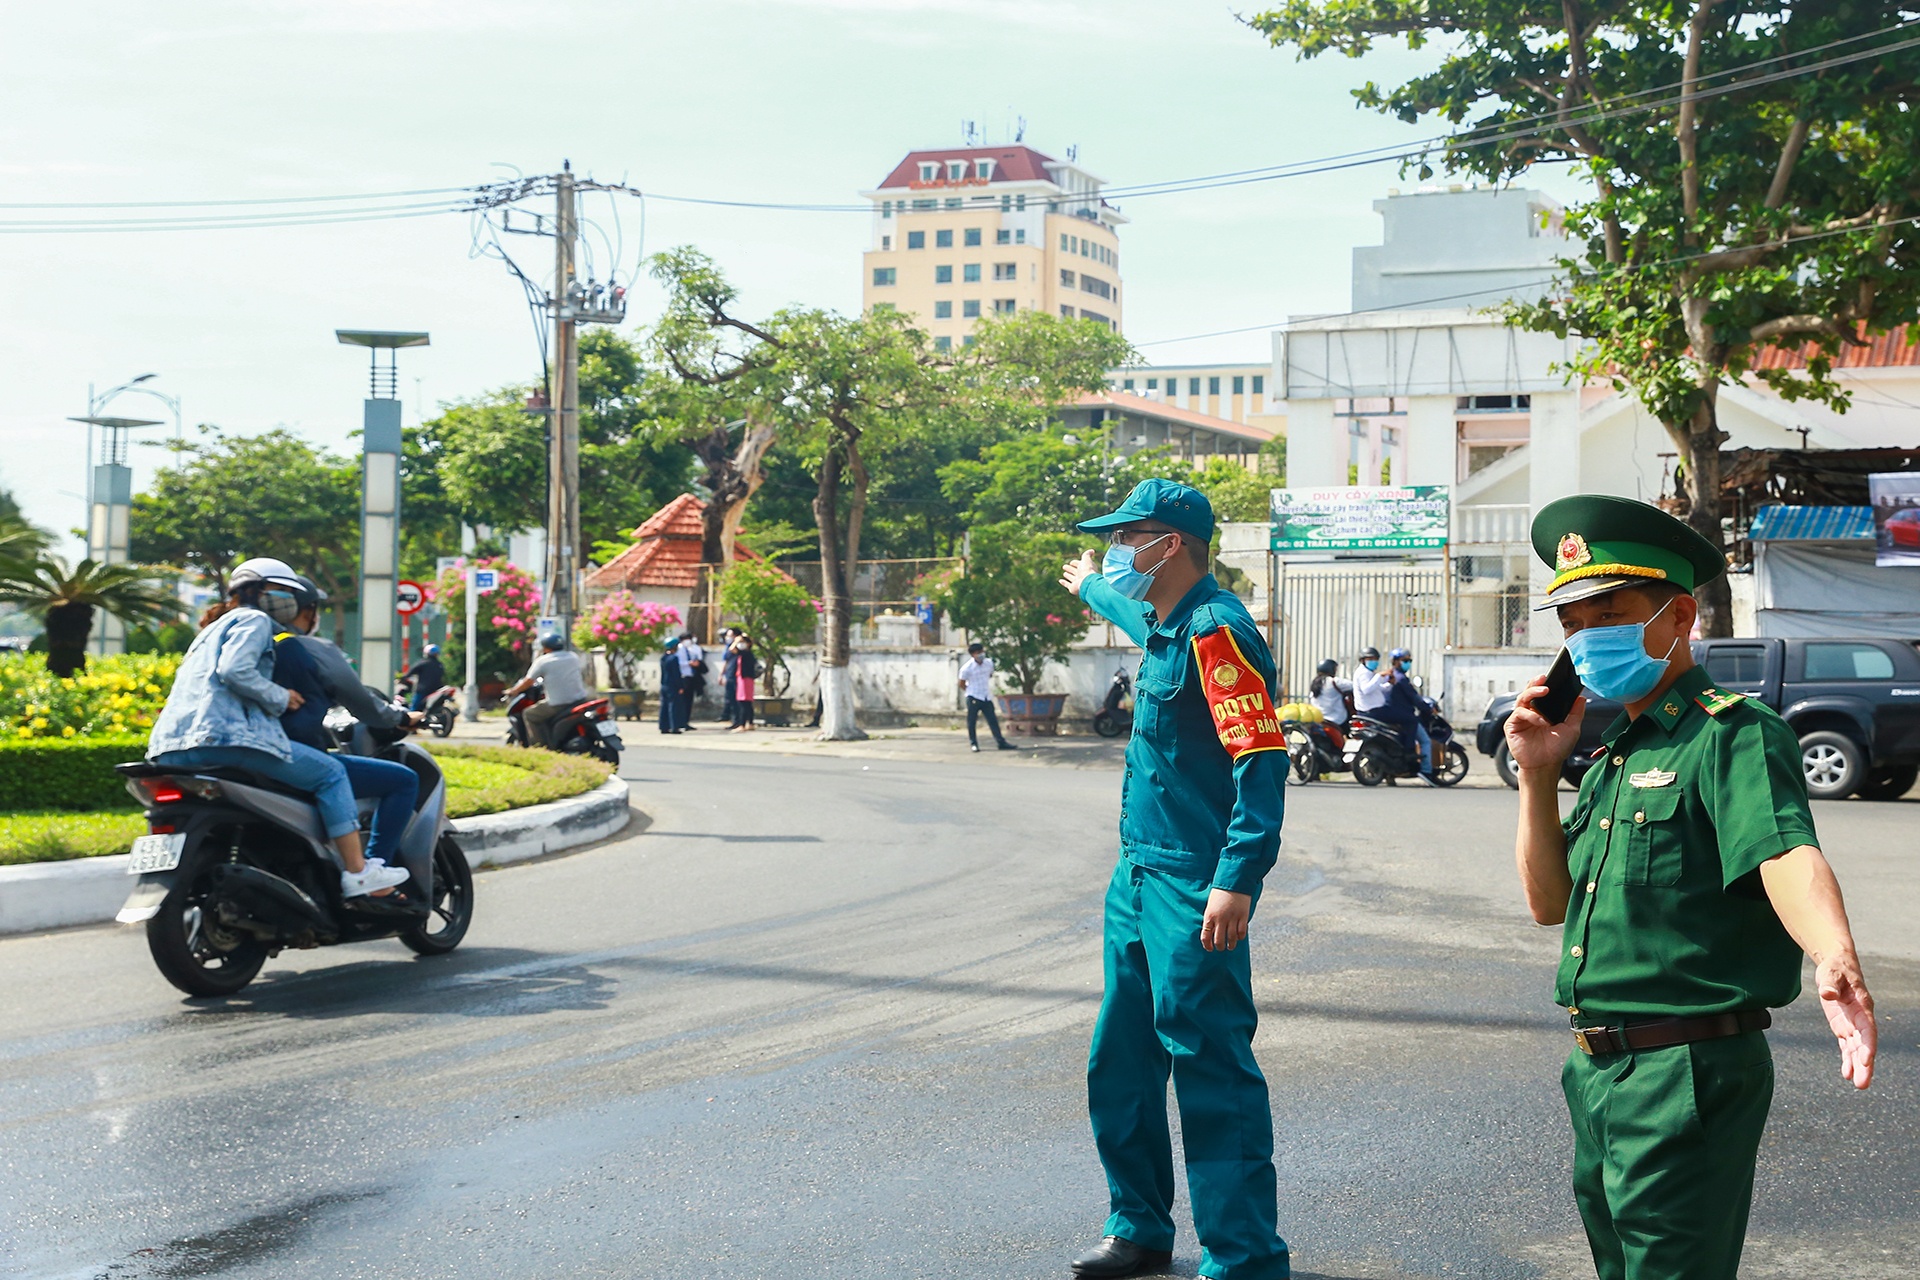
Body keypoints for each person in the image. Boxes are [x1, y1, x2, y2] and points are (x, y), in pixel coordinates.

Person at [1506, 494, 1876, 1280]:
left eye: (1609, 612)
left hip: (1683, 1070)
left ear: (1678, 617)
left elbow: (1781, 850)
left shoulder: (1730, 733)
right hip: (1597, 1071)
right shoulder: (1614, 756)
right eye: (1572, 623)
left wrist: (1832, 952)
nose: (1586, 636)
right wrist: (1538, 775)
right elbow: (1548, 902)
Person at [1058, 479, 1291, 1280]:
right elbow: (1127, 612)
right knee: (1119, 1055)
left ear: (1174, 545)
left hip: (1196, 880)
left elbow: (1260, 758)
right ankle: (1139, 1227)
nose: (1120, 548)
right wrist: (1087, 584)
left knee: (1208, 1061)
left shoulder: (1218, 632)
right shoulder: (1167, 624)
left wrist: (1237, 876)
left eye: (1131, 536)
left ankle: (1245, 1256)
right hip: (1138, 873)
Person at [146, 558, 408, 900]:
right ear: (261, 592)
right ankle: (359, 872)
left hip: (170, 746)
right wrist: (280, 696)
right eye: (284, 592)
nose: (289, 601)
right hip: (224, 738)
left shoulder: (211, 630)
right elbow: (234, 670)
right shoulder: (255, 620)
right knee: (330, 773)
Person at [271, 576, 426, 883]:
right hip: (290, 751)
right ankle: (371, 871)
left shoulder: (244, 643)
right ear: (309, 610)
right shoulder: (308, 648)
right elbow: (362, 702)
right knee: (403, 781)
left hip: (238, 751)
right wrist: (401, 717)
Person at [503, 632, 592, 749]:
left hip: (559, 704)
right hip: (579, 700)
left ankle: (540, 747)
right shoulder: (573, 657)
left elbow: (528, 681)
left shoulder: (543, 661)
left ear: (545, 647)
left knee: (529, 714)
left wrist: (513, 691)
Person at [1386, 647, 1439, 782]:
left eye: (1409, 660)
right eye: (1405, 660)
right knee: (1425, 741)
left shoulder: (1390, 675)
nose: (1408, 663)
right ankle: (1427, 771)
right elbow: (1414, 698)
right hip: (1404, 714)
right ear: (1396, 661)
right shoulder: (1401, 678)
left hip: (1391, 714)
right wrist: (1428, 708)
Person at [957, 641, 1014, 752]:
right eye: (978, 652)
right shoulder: (967, 668)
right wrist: (970, 690)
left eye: (982, 651)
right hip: (973, 696)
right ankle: (974, 743)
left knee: (993, 720)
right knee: (972, 721)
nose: (981, 654)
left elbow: (990, 674)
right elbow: (961, 684)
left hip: (986, 696)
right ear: (973, 654)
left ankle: (1001, 742)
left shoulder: (988, 663)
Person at [401, 643, 446, 712]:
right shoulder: (439, 664)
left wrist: (403, 678)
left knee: (414, 708)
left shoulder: (422, 663)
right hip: (437, 689)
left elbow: (410, 672)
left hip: (423, 689)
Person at [729, 634, 760, 732]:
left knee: (743, 702)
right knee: (747, 702)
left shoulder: (746, 653)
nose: (740, 644)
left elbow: (731, 649)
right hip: (743, 678)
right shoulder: (745, 653)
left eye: (742, 642)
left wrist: (736, 641)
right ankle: (750, 723)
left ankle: (742, 724)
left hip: (745, 679)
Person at [676, 631, 706, 731]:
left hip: (691, 676)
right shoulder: (678, 649)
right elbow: (677, 663)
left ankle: (686, 722)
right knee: (682, 701)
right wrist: (688, 663)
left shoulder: (690, 649)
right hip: (683, 676)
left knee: (689, 701)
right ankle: (680, 721)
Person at [1352, 645, 1390, 714]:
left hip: (1375, 709)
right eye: (1370, 659)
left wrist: (1390, 684)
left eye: (1375, 659)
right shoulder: (1363, 673)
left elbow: (1377, 687)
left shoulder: (1369, 672)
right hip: (1369, 711)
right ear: (1362, 660)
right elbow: (1366, 690)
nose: (1374, 661)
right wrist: (1379, 675)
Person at [658, 637, 684, 734]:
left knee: (664, 706)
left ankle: (663, 726)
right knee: (673, 706)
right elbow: (676, 674)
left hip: (664, 684)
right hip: (672, 686)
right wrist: (680, 686)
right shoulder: (674, 658)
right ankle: (674, 727)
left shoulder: (663, 658)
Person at [718, 628, 740, 725]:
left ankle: (737, 721)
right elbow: (726, 661)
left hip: (737, 676)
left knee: (736, 700)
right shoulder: (727, 647)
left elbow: (733, 650)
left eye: (730, 635)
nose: (727, 638)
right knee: (730, 698)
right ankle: (732, 719)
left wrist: (738, 640)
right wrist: (721, 675)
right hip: (729, 675)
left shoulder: (738, 647)